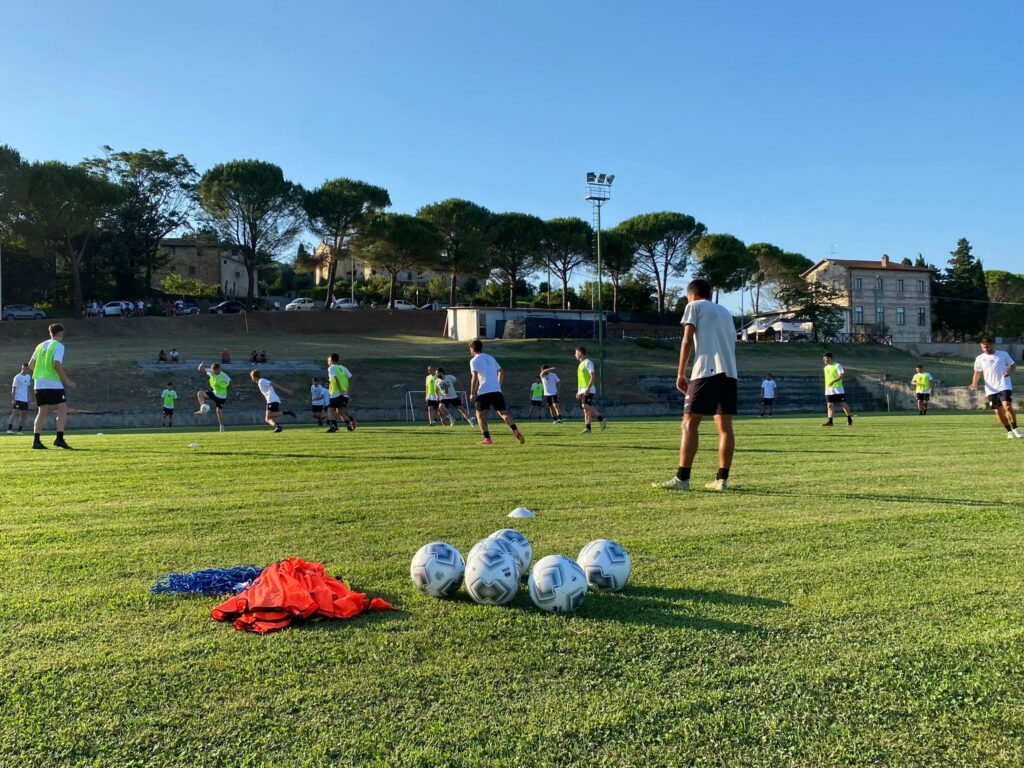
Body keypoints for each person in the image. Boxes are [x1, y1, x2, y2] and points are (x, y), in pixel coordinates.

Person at [653, 279, 737, 492]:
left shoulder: (694, 306)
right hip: (730, 375)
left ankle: (682, 479)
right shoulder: (726, 312)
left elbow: (687, 340)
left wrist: (681, 372)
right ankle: (722, 480)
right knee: (725, 428)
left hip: (706, 371)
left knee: (689, 424)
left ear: (691, 295)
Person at [27, 323, 76, 450]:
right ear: (61, 333)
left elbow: (30, 364)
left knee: (42, 411)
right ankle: (59, 439)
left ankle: (36, 441)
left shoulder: (40, 345)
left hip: (39, 383)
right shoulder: (58, 346)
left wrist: (40, 374)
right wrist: (66, 381)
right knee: (63, 409)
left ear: (50, 333)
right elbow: (56, 364)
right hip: (52, 383)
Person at [468, 339, 524, 446]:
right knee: (504, 414)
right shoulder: (490, 357)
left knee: (480, 416)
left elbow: (474, 377)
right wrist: (498, 386)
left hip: (484, 391)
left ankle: (487, 439)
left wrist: (472, 393)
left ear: (472, 349)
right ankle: (516, 430)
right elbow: (501, 372)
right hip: (496, 391)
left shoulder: (474, 360)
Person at [969, 338, 1019, 438]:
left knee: (1007, 406)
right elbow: (977, 372)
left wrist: (1009, 372)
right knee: (998, 411)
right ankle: (1009, 431)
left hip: (1004, 385)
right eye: (983, 347)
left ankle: (1015, 428)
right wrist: (974, 384)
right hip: (990, 389)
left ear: (992, 345)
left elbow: (1013, 365)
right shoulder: (979, 358)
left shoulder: (1003, 354)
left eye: (987, 346)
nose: (986, 349)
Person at [575, 346, 606, 433]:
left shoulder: (588, 362)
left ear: (580, 353)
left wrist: (588, 388)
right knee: (586, 410)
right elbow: (580, 380)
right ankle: (588, 429)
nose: (575, 355)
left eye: (576, 353)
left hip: (588, 390)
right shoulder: (580, 364)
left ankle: (601, 419)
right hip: (582, 390)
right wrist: (578, 391)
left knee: (584, 406)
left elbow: (593, 376)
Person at [195, 362, 231, 431]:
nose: (214, 372)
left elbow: (230, 382)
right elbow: (200, 369)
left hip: (221, 396)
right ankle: (203, 409)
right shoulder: (212, 371)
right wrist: (201, 365)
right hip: (214, 393)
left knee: (218, 411)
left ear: (219, 369)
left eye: (215, 370)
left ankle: (222, 427)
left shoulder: (224, 376)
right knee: (200, 393)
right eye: (213, 370)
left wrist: (227, 386)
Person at [821, 352, 854, 427]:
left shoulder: (837, 365)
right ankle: (830, 422)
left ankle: (849, 419)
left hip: (838, 389)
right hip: (828, 390)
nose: (824, 360)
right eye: (823, 359)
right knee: (829, 405)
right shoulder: (825, 368)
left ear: (830, 358)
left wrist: (833, 381)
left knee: (843, 404)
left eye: (825, 358)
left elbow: (842, 376)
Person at [326, 353, 356, 433]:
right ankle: (349, 425)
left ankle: (333, 427)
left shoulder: (331, 368)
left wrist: (340, 390)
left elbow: (335, 379)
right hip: (344, 393)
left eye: (328, 361)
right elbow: (352, 378)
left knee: (330, 409)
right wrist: (349, 391)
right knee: (340, 411)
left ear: (331, 361)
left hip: (337, 393)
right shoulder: (343, 368)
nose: (328, 362)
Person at [7, 363, 32, 434]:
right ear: (22, 368)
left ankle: (19, 431)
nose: (26, 370)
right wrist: (13, 399)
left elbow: (28, 387)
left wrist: (29, 397)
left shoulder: (28, 377)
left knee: (23, 415)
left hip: (25, 400)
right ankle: (9, 429)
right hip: (18, 399)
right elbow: (13, 389)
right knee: (14, 413)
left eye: (27, 368)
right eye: (25, 368)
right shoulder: (17, 377)